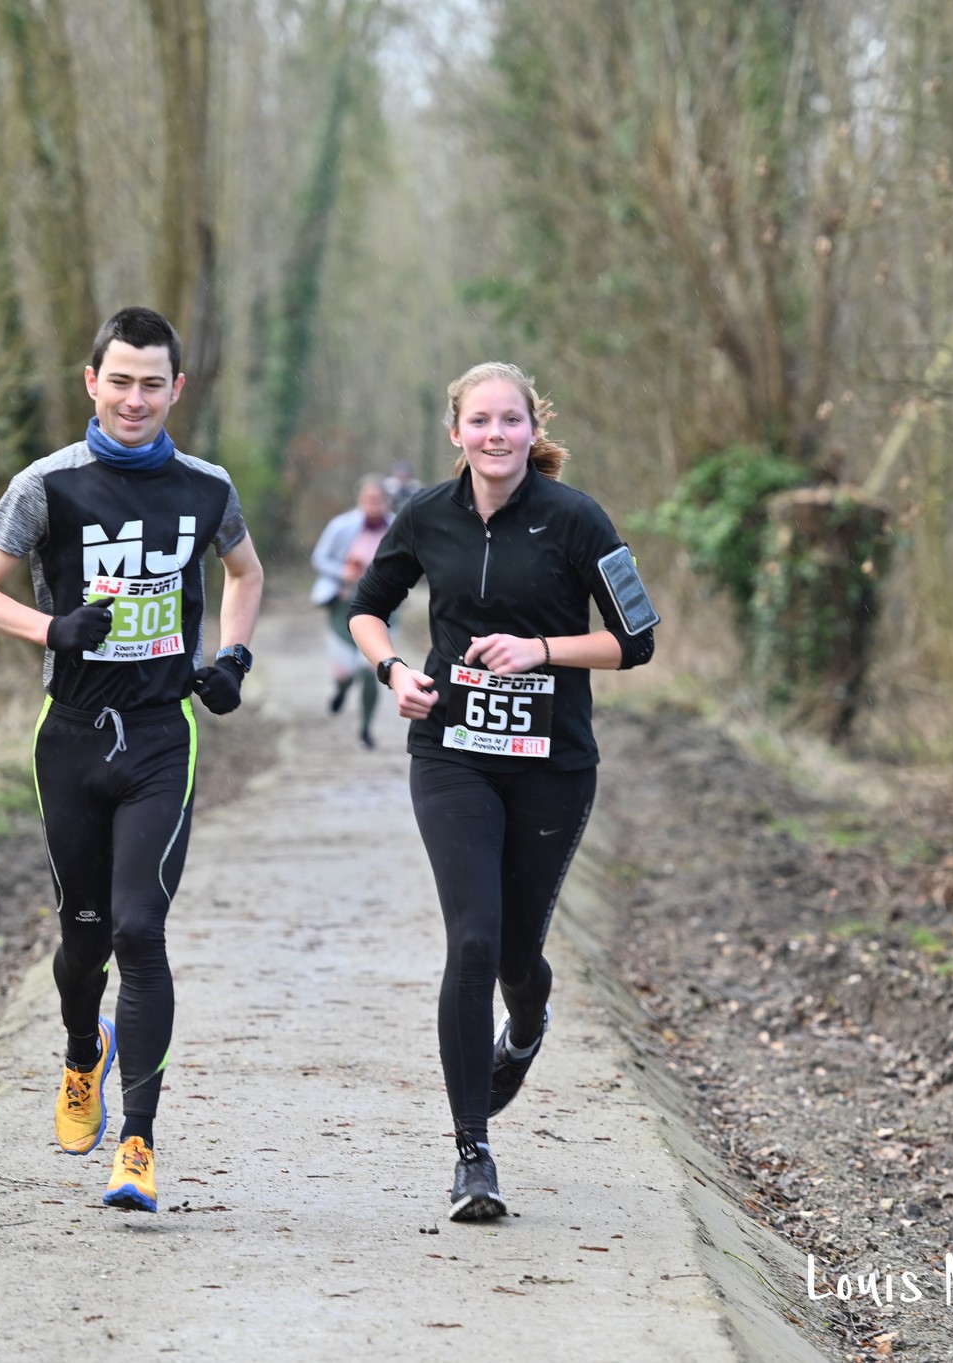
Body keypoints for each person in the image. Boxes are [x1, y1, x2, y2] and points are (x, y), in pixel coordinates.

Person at [0, 306, 263, 1213]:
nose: (135, 398)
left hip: (165, 734)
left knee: (139, 929)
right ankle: (83, 1051)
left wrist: (233, 657)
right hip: (73, 737)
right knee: (83, 938)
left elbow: (245, 572)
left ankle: (138, 1146)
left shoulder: (207, 487)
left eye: (152, 383)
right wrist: (50, 627)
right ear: (92, 382)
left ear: (176, 389)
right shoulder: (48, 485)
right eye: (118, 380)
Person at [347, 362, 658, 1222]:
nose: (495, 434)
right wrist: (394, 669)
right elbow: (366, 609)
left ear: (532, 428)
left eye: (510, 420)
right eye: (479, 420)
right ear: (456, 433)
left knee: (519, 957)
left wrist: (544, 650)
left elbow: (637, 641)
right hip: (453, 755)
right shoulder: (424, 517)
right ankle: (473, 1154)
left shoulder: (576, 518)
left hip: (553, 764)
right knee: (473, 941)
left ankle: (525, 1027)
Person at [308, 476, 395, 747]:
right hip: (343, 607)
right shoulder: (342, 526)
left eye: (378, 499)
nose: (373, 504)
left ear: (386, 501)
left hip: (383, 610)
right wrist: (344, 571)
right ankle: (341, 689)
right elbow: (319, 558)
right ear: (360, 499)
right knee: (346, 671)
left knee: (372, 669)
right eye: (368, 499)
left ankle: (366, 729)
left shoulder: (397, 528)